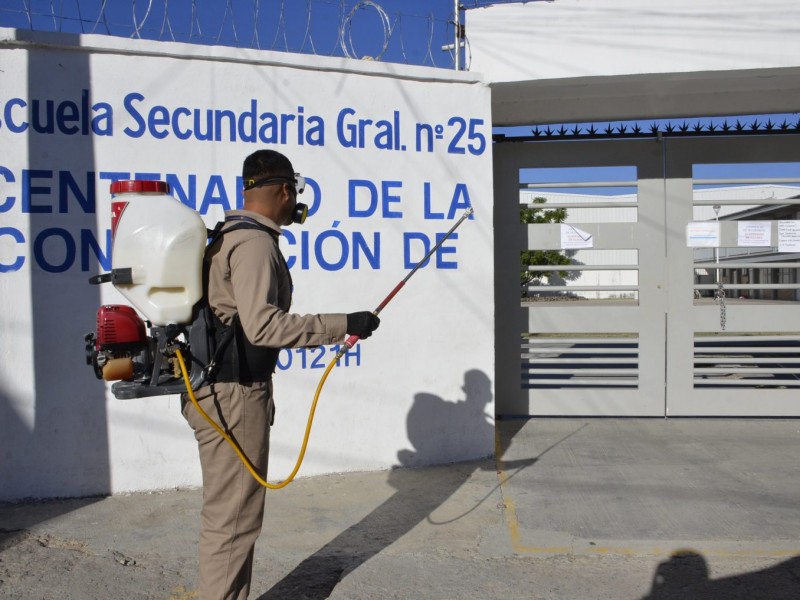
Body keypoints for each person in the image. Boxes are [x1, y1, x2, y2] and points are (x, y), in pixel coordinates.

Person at [181, 149, 380, 600]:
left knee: (226, 518)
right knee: (234, 522)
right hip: (233, 395)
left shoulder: (229, 234)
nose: (295, 205)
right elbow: (263, 325)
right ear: (285, 190)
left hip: (215, 391)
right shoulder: (254, 243)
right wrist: (343, 324)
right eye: (295, 195)